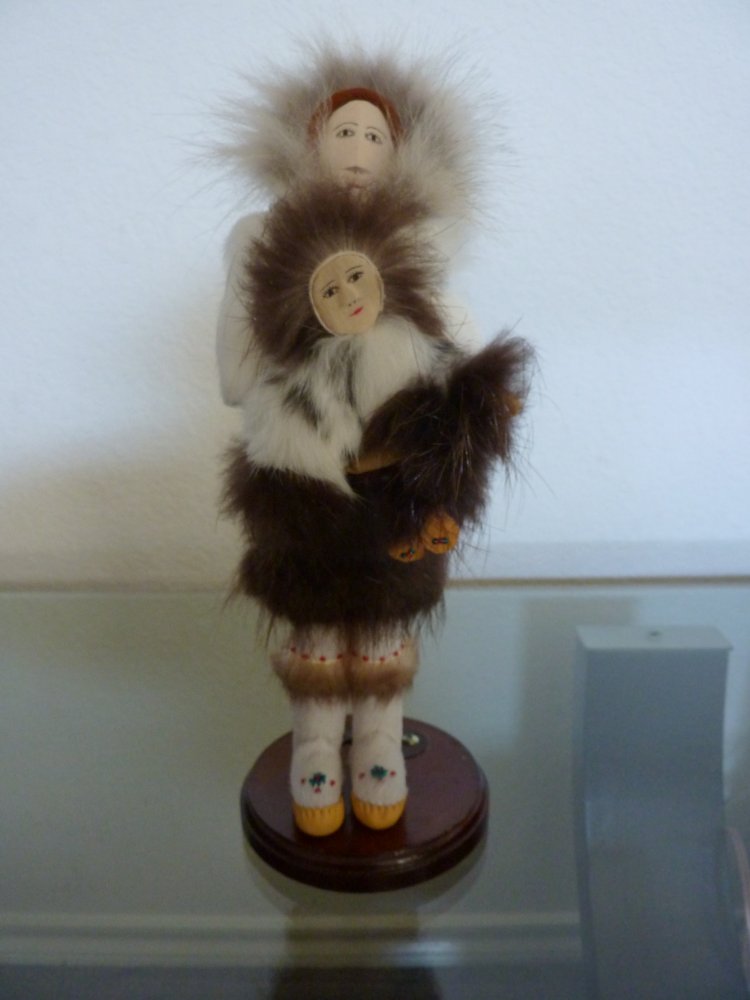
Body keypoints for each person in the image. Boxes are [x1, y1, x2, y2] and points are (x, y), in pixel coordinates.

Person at [222, 180, 530, 835]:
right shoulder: (285, 388)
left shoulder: (424, 351)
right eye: (329, 290)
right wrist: (314, 510)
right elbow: (269, 481)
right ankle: (314, 749)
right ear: (302, 308)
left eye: (356, 276)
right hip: (320, 545)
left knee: (384, 646)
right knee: (320, 648)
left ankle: (380, 747)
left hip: (398, 536)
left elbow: (455, 438)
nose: (349, 297)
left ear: (387, 275)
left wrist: (472, 427)